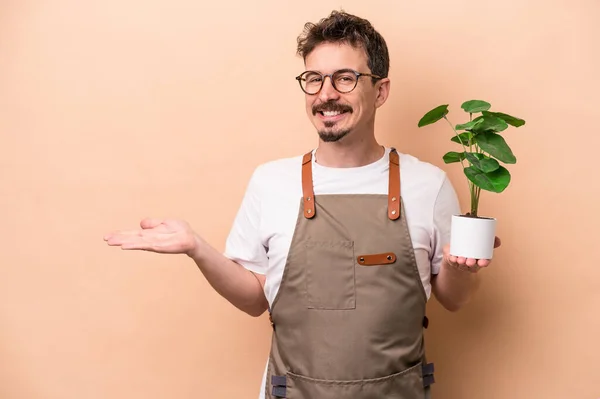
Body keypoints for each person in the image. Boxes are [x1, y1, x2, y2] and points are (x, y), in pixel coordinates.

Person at [104, 10, 501, 399]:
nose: (326, 94)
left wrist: (458, 268)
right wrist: (197, 248)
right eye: (314, 79)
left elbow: (454, 298)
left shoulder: (427, 185)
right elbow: (254, 299)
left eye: (345, 78)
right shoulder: (270, 182)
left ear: (380, 90)